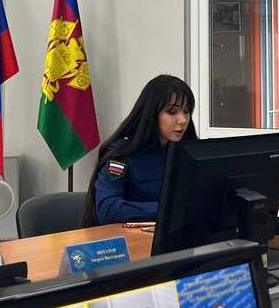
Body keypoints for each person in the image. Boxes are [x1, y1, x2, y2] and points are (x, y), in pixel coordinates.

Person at [84, 75, 197, 226]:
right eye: (172, 112)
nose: (182, 120)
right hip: (126, 237)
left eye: (187, 111)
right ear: (152, 113)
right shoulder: (122, 154)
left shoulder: (187, 153)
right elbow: (107, 209)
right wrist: (168, 210)